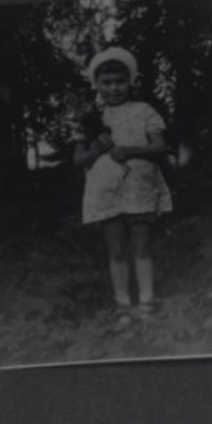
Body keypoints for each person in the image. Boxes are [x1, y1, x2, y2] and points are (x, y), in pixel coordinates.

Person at [70, 41, 185, 323]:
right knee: (117, 250)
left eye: (120, 81)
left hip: (139, 189)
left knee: (142, 247)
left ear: (130, 81)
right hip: (106, 191)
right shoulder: (89, 117)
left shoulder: (144, 110)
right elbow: (78, 159)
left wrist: (131, 151)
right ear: (97, 84)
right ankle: (123, 305)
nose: (114, 88)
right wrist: (97, 149)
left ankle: (147, 302)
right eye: (107, 82)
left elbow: (161, 148)